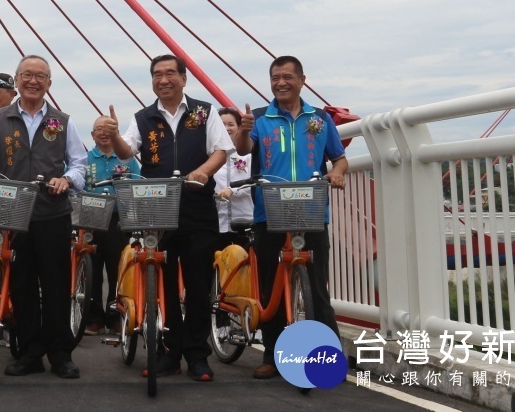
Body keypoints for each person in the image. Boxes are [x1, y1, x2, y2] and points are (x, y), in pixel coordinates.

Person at [97, 54, 231, 382]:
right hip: (158, 209)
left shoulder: (204, 111)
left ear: (184, 78)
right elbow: (127, 151)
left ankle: (198, 355)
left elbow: (221, 149)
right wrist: (114, 135)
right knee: (163, 284)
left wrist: (202, 171)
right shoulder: (144, 117)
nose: (164, 79)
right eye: (157, 74)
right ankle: (168, 353)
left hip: (198, 207)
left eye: (171, 73)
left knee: (198, 285)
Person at [0, 55, 87, 379]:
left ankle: (60, 354)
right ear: (17, 81)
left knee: (57, 284)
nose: (33, 81)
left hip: (52, 212)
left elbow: (79, 164)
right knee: (21, 285)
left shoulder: (62, 120)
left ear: (49, 83)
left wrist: (68, 180)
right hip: (12, 214)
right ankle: (30, 351)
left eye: (40, 76)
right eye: (27, 75)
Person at [234, 55, 347, 380]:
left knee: (317, 286)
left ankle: (328, 357)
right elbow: (243, 149)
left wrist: (337, 174)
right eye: (275, 78)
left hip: (312, 210)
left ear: (302, 80)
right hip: (268, 210)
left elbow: (339, 159)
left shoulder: (320, 118)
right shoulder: (259, 117)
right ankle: (272, 355)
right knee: (271, 286)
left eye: (287, 77)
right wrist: (242, 131)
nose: (280, 83)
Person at [82, 115, 140, 335]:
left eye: (108, 128)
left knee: (118, 269)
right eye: (99, 129)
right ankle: (94, 317)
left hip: (118, 221)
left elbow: (137, 184)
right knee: (91, 270)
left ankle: (115, 316)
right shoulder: (84, 159)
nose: (104, 133)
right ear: (92, 135)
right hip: (90, 220)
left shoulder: (127, 158)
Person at [213, 106, 253, 245]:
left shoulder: (248, 155)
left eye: (231, 124)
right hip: (217, 224)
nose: (226, 128)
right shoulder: (210, 155)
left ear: (239, 127)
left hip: (245, 222)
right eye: (222, 124)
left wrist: (232, 191)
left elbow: (253, 183)